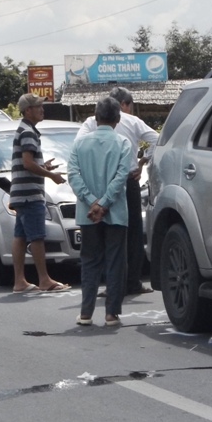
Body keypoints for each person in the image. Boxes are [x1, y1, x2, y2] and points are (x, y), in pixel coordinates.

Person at [75, 86, 159, 295]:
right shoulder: (131, 121)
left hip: (97, 184)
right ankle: (131, 282)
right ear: (123, 105)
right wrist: (142, 162)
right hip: (127, 181)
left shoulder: (89, 124)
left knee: (103, 237)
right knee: (130, 234)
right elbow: (157, 139)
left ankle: (111, 286)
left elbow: (78, 146)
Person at [68, 97, 132, 327]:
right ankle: (111, 314)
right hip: (115, 213)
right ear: (117, 118)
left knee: (89, 261)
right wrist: (104, 203)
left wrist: (92, 202)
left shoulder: (79, 143)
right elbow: (121, 176)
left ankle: (85, 313)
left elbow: (73, 175)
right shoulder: (124, 143)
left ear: (95, 118)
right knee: (115, 262)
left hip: (88, 214)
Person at [10, 92, 69, 293]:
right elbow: (27, 163)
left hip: (21, 191)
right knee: (36, 236)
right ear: (28, 110)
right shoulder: (28, 132)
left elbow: (29, 161)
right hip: (29, 192)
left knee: (20, 235)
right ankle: (44, 279)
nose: (42, 109)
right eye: (38, 107)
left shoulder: (25, 129)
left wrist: (43, 166)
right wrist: (50, 176)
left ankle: (19, 281)